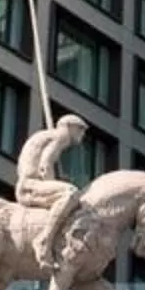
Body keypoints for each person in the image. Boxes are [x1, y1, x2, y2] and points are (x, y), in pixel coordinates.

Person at [12, 111, 88, 271]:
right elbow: (44, 165)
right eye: (80, 128)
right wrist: (54, 184)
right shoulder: (61, 137)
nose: (82, 133)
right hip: (30, 185)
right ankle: (44, 239)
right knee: (71, 193)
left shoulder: (49, 137)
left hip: (29, 185)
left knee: (68, 194)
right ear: (68, 127)